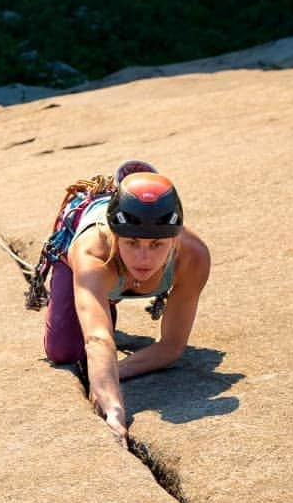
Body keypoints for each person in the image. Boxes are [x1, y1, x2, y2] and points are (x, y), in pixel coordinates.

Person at [42, 163, 210, 445]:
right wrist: (114, 409)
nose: (143, 259)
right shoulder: (92, 251)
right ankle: (104, 295)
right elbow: (98, 338)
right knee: (64, 351)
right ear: (116, 235)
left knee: (101, 361)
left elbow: (171, 347)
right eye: (132, 243)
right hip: (89, 253)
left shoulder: (193, 257)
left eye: (156, 245)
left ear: (174, 239)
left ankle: (106, 297)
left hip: (112, 272)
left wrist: (113, 374)